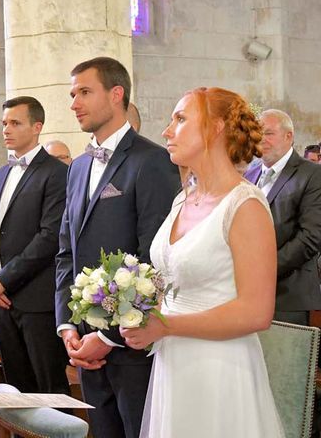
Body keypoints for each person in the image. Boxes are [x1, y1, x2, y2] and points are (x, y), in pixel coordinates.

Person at [121, 87, 284, 437]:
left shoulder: (245, 206)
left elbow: (257, 312)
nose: (167, 130)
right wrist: (142, 315)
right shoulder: (184, 199)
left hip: (220, 367)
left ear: (216, 128)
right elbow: (173, 279)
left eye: (180, 119)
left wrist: (167, 326)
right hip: (174, 363)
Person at [55, 57, 180, 438]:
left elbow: (154, 260)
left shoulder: (152, 160)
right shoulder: (77, 167)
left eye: (84, 92)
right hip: (84, 341)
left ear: (116, 94)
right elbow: (66, 250)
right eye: (73, 93)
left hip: (130, 345)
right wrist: (68, 325)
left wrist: (107, 336)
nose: (75, 102)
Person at [0, 96, 70, 395]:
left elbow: (49, 237)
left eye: (15, 123)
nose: (6, 129)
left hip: (37, 302)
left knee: (49, 389)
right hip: (2, 302)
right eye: (4, 123)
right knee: (16, 389)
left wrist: (4, 280)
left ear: (37, 126)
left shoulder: (56, 173)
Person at [244, 110, 321, 325]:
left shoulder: (313, 175)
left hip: (288, 295)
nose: (262, 140)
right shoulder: (249, 173)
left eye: (269, 133)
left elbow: (311, 237)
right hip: (245, 294)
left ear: (289, 136)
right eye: (258, 134)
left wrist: (264, 270)